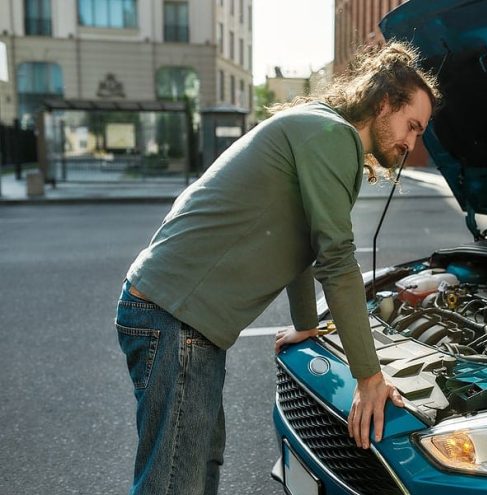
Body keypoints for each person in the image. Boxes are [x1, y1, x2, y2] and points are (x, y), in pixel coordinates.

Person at [115, 41, 439, 494]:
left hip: (177, 315)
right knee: (175, 483)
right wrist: (369, 379)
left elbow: (301, 244)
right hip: (175, 318)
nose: (411, 142)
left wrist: (307, 324)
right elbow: (336, 259)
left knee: (198, 464)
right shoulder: (333, 136)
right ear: (383, 102)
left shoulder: (320, 128)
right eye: (412, 125)